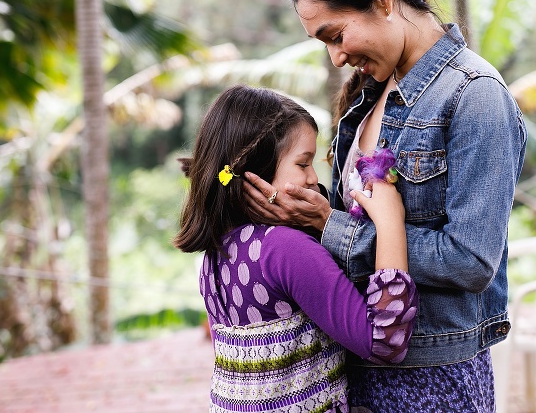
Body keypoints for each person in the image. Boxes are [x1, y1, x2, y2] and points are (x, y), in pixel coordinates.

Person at [243, 0, 528, 412]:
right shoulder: (367, 97)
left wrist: (327, 225)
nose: (336, 58)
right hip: (353, 360)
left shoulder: (475, 95)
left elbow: (471, 260)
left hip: (431, 373)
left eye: (336, 35)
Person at [173, 85, 418, 413]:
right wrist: (390, 223)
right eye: (303, 163)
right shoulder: (284, 250)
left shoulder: (216, 257)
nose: (313, 177)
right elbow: (385, 342)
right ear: (256, 170)